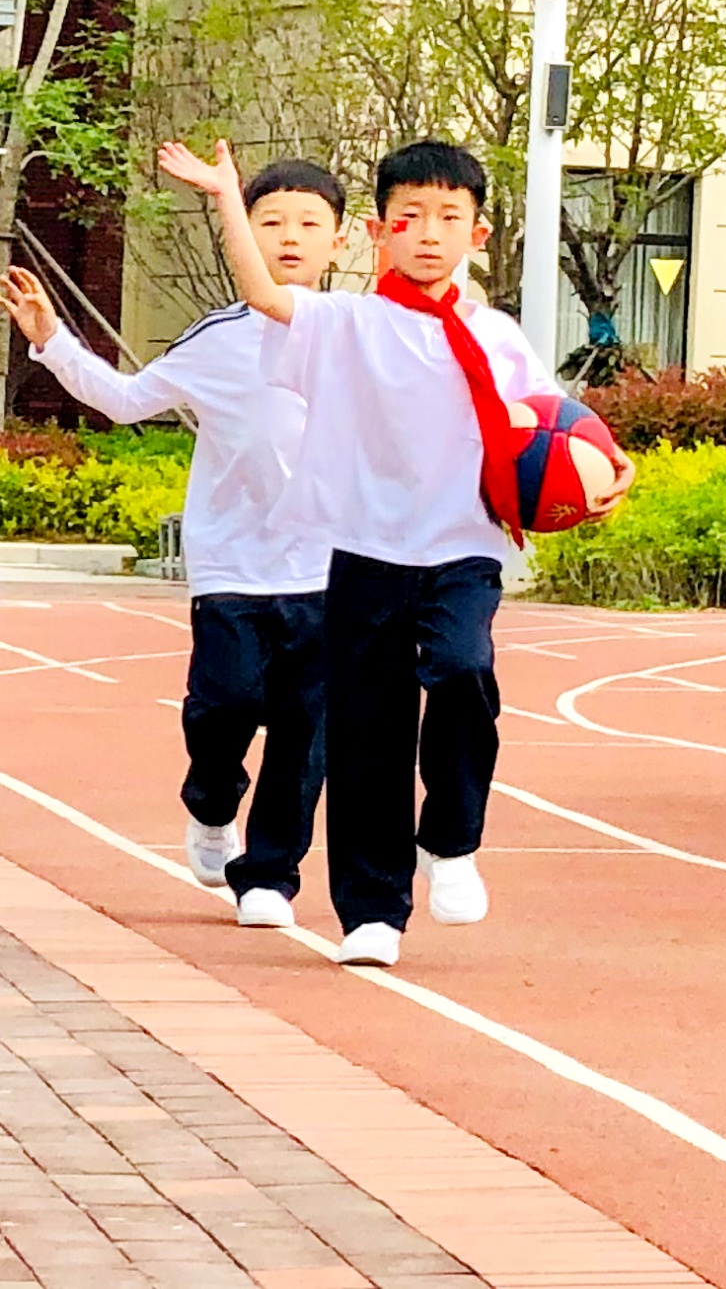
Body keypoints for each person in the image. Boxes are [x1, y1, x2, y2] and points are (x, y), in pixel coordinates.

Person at [189, 137, 527, 972]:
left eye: (451, 217)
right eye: (410, 216)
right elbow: (266, 292)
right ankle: (373, 910)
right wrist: (228, 196)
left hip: (462, 549)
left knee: (458, 667)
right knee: (368, 730)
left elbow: (546, 430)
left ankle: (451, 839)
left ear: (477, 235)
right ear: (380, 231)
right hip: (366, 552)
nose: (429, 232)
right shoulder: (347, 324)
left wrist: (604, 470)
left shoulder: (500, 336)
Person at [10, 154, 341, 927]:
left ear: (338, 237)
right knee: (225, 702)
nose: (289, 238)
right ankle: (211, 799)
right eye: (270, 222)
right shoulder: (215, 340)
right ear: (241, 235)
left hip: (327, 570)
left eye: (307, 224)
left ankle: (268, 876)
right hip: (232, 562)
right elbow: (125, 402)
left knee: (304, 729)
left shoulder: (358, 336)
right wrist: (53, 340)